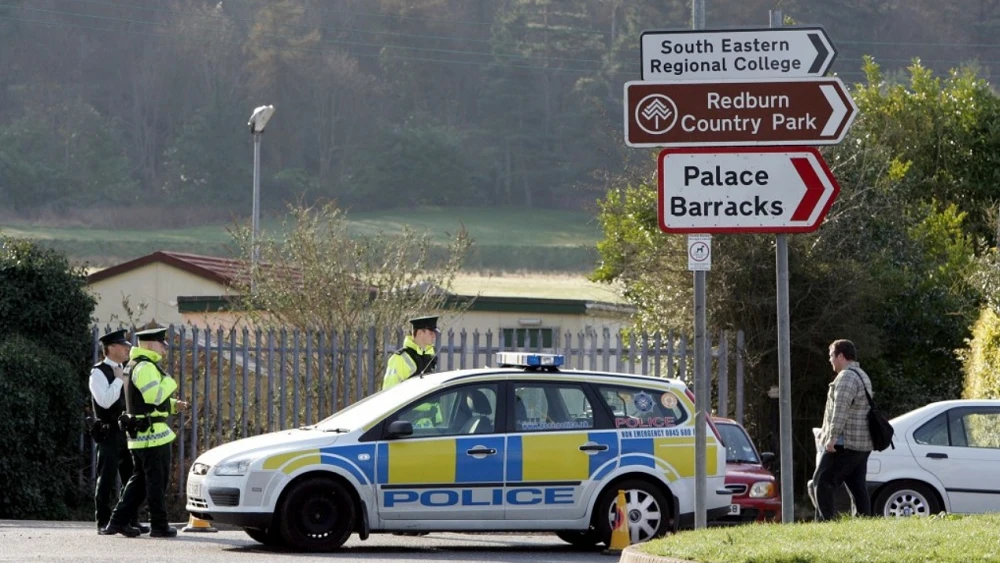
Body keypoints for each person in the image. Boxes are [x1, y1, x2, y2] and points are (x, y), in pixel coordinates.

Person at [101, 327, 188, 538]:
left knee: (139, 481)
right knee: (156, 482)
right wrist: (171, 382)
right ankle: (159, 525)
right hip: (153, 437)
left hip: (142, 434)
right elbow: (153, 397)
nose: (165, 348)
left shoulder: (134, 365)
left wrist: (174, 405)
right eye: (161, 344)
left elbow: (143, 401)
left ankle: (117, 521)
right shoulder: (146, 367)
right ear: (150, 345)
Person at [89, 329, 149, 535]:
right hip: (109, 432)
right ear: (111, 348)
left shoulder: (126, 369)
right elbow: (104, 401)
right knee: (105, 477)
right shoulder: (98, 372)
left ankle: (128, 519)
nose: (127, 349)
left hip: (126, 430)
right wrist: (117, 380)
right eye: (123, 346)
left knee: (130, 476)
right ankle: (103, 522)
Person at [812, 339, 873, 521]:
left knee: (821, 481)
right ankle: (864, 521)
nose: (830, 360)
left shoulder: (846, 377)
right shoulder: (862, 375)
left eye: (831, 356)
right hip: (862, 443)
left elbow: (840, 409)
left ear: (840, 356)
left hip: (845, 442)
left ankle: (827, 522)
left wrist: (831, 438)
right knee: (857, 486)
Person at [382, 316, 440, 389]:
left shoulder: (429, 356)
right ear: (420, 333)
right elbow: (389, 390)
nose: (434, 336)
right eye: (431, 333)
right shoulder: (399, 358)